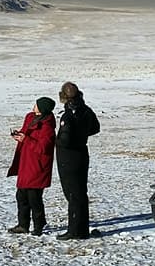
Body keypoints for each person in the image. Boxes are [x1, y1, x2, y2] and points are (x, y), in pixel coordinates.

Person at [54, 82, 100, 240]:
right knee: (81, 192)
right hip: (82, 152)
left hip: (69, 156)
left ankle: (75, 230)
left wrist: (57, 141)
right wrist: (82, 135)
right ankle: (82, 228)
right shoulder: (86, 110)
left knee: (73, 194)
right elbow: (95, 128)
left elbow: (65, 139)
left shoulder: (68, 115)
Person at [7, 97, 57, 236]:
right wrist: (19, 135)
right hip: (26, 162)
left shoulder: (47, 127)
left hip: (38, 166)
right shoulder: (30, 118)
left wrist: (26, 139)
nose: (33, 106)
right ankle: (23, 225)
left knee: (34, 198)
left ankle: (39, 225)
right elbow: (25, 132)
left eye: (37, 105)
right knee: (21, 196)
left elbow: (43, 148)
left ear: (42, 109)